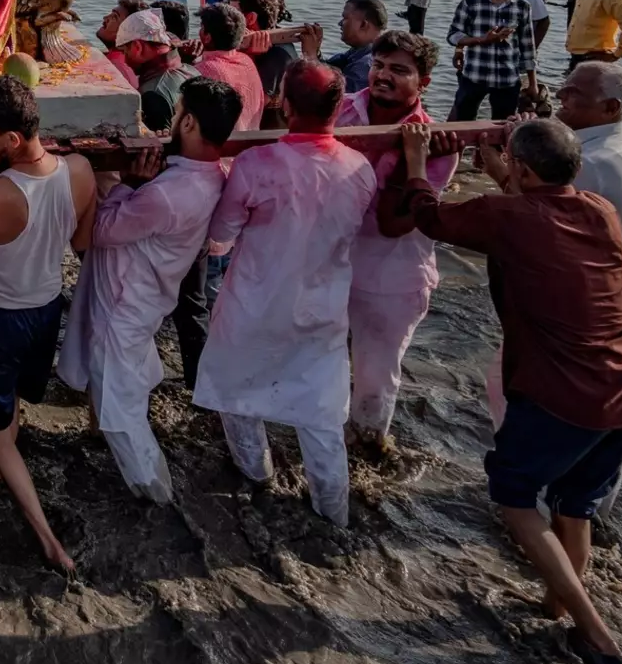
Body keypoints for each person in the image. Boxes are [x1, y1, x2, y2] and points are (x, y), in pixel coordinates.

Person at [379, 119, 622, 664]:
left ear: (523, 170)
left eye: (511, 167)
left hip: (562, 397)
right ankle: (557, 608)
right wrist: (504, 171)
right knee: (575, 509)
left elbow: (430, 216)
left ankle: (596, 633)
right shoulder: (598, 210)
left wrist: (414, 161)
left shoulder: (507, 215)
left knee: (516, 498)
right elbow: (533, 220)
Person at [195, 60, 377, 527]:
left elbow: (222, 231)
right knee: (320, 418)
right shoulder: (359, 169)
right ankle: (333, 515)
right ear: (339, 108)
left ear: (285, 104)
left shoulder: (258, 164)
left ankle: (255, 475)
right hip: (323, 310)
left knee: (237, 392)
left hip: (256, 303)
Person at [59, 77, 240, 501]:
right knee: (127, 381)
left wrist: (129, 185)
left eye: (176, 114)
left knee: (118, 411)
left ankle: (155, 494)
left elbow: (100, 232)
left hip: (125, 301)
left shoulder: (166, 194)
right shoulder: (213, 176)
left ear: (190, 122)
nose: (172, 120)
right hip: (146, 294)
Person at [0, 78, 96, 572]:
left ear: (11, 139)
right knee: (13, 394)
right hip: (46, 307)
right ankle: (1, 466)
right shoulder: (79, 170)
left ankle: (46, 539)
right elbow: (81, 239)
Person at [339, 31, 458, 448]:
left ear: (423, 83)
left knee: (375, 375)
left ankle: (368, 453)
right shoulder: (345, 111)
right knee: (321, 361)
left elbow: (396, 224)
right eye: (378, 65)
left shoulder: (434, 143)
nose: (383, 75)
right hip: (333, 263)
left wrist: (413, 161)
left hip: (390, 274)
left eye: (399, 70)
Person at [557, 63, 622, 375]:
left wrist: (501, 168)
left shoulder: (590, 163)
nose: (560, 94)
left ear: (610, 108)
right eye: (565, 85)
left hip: (599, 331)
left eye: (574, 93)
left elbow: (532, 218)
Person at [447, 0, 539, 120]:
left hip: (507, 77)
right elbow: (454, 35)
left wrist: (533, 83)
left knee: (504, 126)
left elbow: (528, 47)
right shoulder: (470, 4)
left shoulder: (521, 7)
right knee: (462, 123)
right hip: (474, 74)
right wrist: (481, 40)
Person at [111, 8, 189, 134]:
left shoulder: (152, 95)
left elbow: (158, 146)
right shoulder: (191, 70)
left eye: (125, 51)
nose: (125, 60)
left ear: (138, 47)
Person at [192, 2, 266, 132]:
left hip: (224, 147)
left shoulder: (202, 70)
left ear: (207, 37)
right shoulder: (247, 61)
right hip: (250, 141)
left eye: (202, 27)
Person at [298, 0, 387, 92]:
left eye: (345, 18)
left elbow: (336, 98)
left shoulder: (366, 64)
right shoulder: (358, 52)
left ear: (363, 25)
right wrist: (316, 52)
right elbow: (331, 69)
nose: (340, 23)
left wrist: (311, 57)